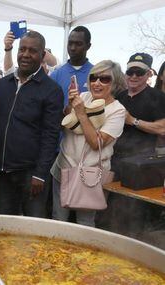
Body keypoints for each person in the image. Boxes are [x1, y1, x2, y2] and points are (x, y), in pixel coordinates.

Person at [0, 30, 63, 217]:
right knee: (4, 226)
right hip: (4, 172)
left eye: (32, 50)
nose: (26, 54)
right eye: (22, 49)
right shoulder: (4, 84)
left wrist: (40, 173)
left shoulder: (51, 90)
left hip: (32, 174)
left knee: (34, 229)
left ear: (42, 55)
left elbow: (51, 135)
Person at [51, 60, 126, 227]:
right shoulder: (83, 97)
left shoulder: (118, 111)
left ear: (115, 83)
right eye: (93, 78)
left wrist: (81, 113)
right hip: (64, 168)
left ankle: (83, 255)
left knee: (84, 224)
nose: (97, 83)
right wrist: (70, 105)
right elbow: (65, 122)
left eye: (104, 79)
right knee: (58, 220)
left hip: (90, 177)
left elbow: (96, 143)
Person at [106, 53, 165, 237]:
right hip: (114, 161)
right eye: (130, 71)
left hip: (142, 166)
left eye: (139, 72)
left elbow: (162, 129)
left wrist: (133, 121)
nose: (133, 76)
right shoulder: (119, 96)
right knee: (109, 212)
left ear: (149, 74)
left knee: (134, 217)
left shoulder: (158, 97)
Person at [50, 26, 93, 106]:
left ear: (88, 46)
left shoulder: (97, 74)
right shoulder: (55, 75)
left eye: (78, 44)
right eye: (70, 43)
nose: (73, 48)